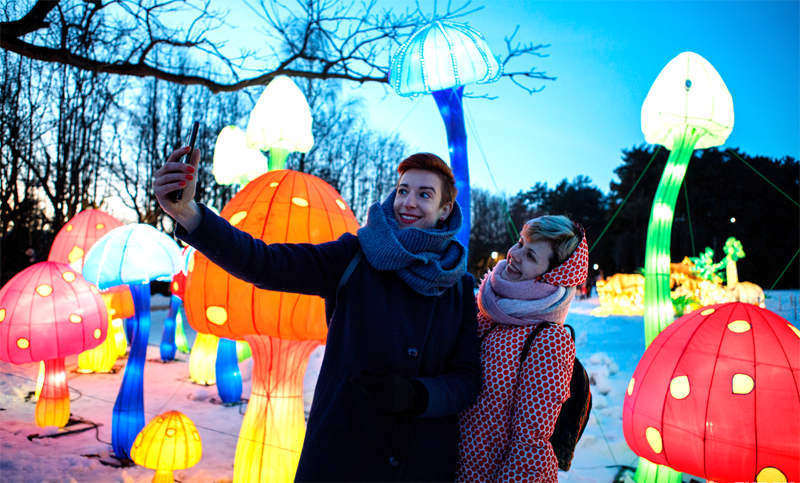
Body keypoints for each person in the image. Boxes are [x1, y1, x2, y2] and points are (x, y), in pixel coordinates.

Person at [154, 147, 480, 483]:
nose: (408, 202)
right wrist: (190, 215)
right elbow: (266, 263)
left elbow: (467, 380)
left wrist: (419, 395)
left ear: (445, 209)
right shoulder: (355, 256)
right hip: (342, 453)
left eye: (424, 194)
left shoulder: (458, 287)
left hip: (417, 463)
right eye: (402, 190)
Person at [457, 216, 588, 483]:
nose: (514, 255)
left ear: (550, 276)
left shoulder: (549, 339)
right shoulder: (486, 309)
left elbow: (529, 447)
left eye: (530, 255)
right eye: (520, 243)